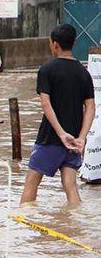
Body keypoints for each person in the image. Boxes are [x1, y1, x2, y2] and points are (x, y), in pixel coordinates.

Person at [20, 24, 95, 205]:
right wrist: (82, 138)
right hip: (75, 141)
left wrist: (61, 134)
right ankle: (76, 225)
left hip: (50, 139)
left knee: (32, 182)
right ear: (74, 43)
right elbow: (91, 107)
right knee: (70, 185)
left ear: (54, 44)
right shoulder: (83, 72)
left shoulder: (47, 69)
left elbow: (46, 103)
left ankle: (22, 226)